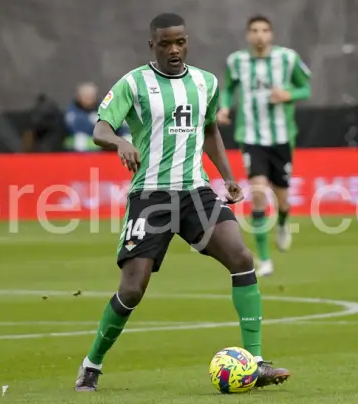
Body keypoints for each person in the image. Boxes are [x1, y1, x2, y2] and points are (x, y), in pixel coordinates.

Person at [74, 13, 290, 392]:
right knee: (132, 289)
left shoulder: (206, 82)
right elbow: (100, 128)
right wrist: (121, 142)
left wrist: (226, 175)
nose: (174, 50)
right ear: (152, 45)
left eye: (180, 42)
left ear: (186, 42)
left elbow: (209, 130)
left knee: (241, 258)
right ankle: (92, 364)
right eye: (165, 44)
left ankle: (255, 363)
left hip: (196, 192)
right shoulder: (134, 82)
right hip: (150, 196)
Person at [217, 15, 312, 277]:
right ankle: (265, 259)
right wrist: (224, 106)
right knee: (258, 193)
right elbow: (229, 88)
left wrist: (288, 94)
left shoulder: (288, 58)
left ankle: (282, 221)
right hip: (251, 137)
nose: (260, 35)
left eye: (264, 30)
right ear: (248, 35)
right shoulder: (237, 61)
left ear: (271, 34)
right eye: (255, 30)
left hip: (281, 138)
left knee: (282, 199)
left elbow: (305, 88)